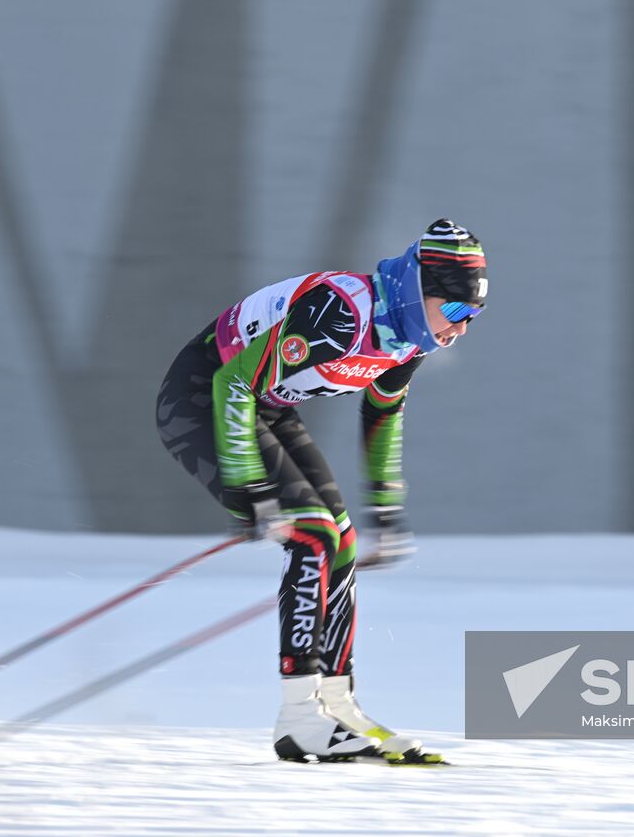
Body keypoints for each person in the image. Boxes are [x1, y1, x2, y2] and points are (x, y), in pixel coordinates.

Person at [155, 219, 488, 764]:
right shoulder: (342, 312)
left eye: (473, 316)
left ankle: (337, 705)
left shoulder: (409, 336)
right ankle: (298, 718)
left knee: (344, 542)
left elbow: (383, 412)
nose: (462, 327)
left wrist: (384, 505)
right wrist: (249, 481)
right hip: (203, 398)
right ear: (417, 288)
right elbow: (231, 381)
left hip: (263, 404)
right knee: (311, 537)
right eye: (454, 311)